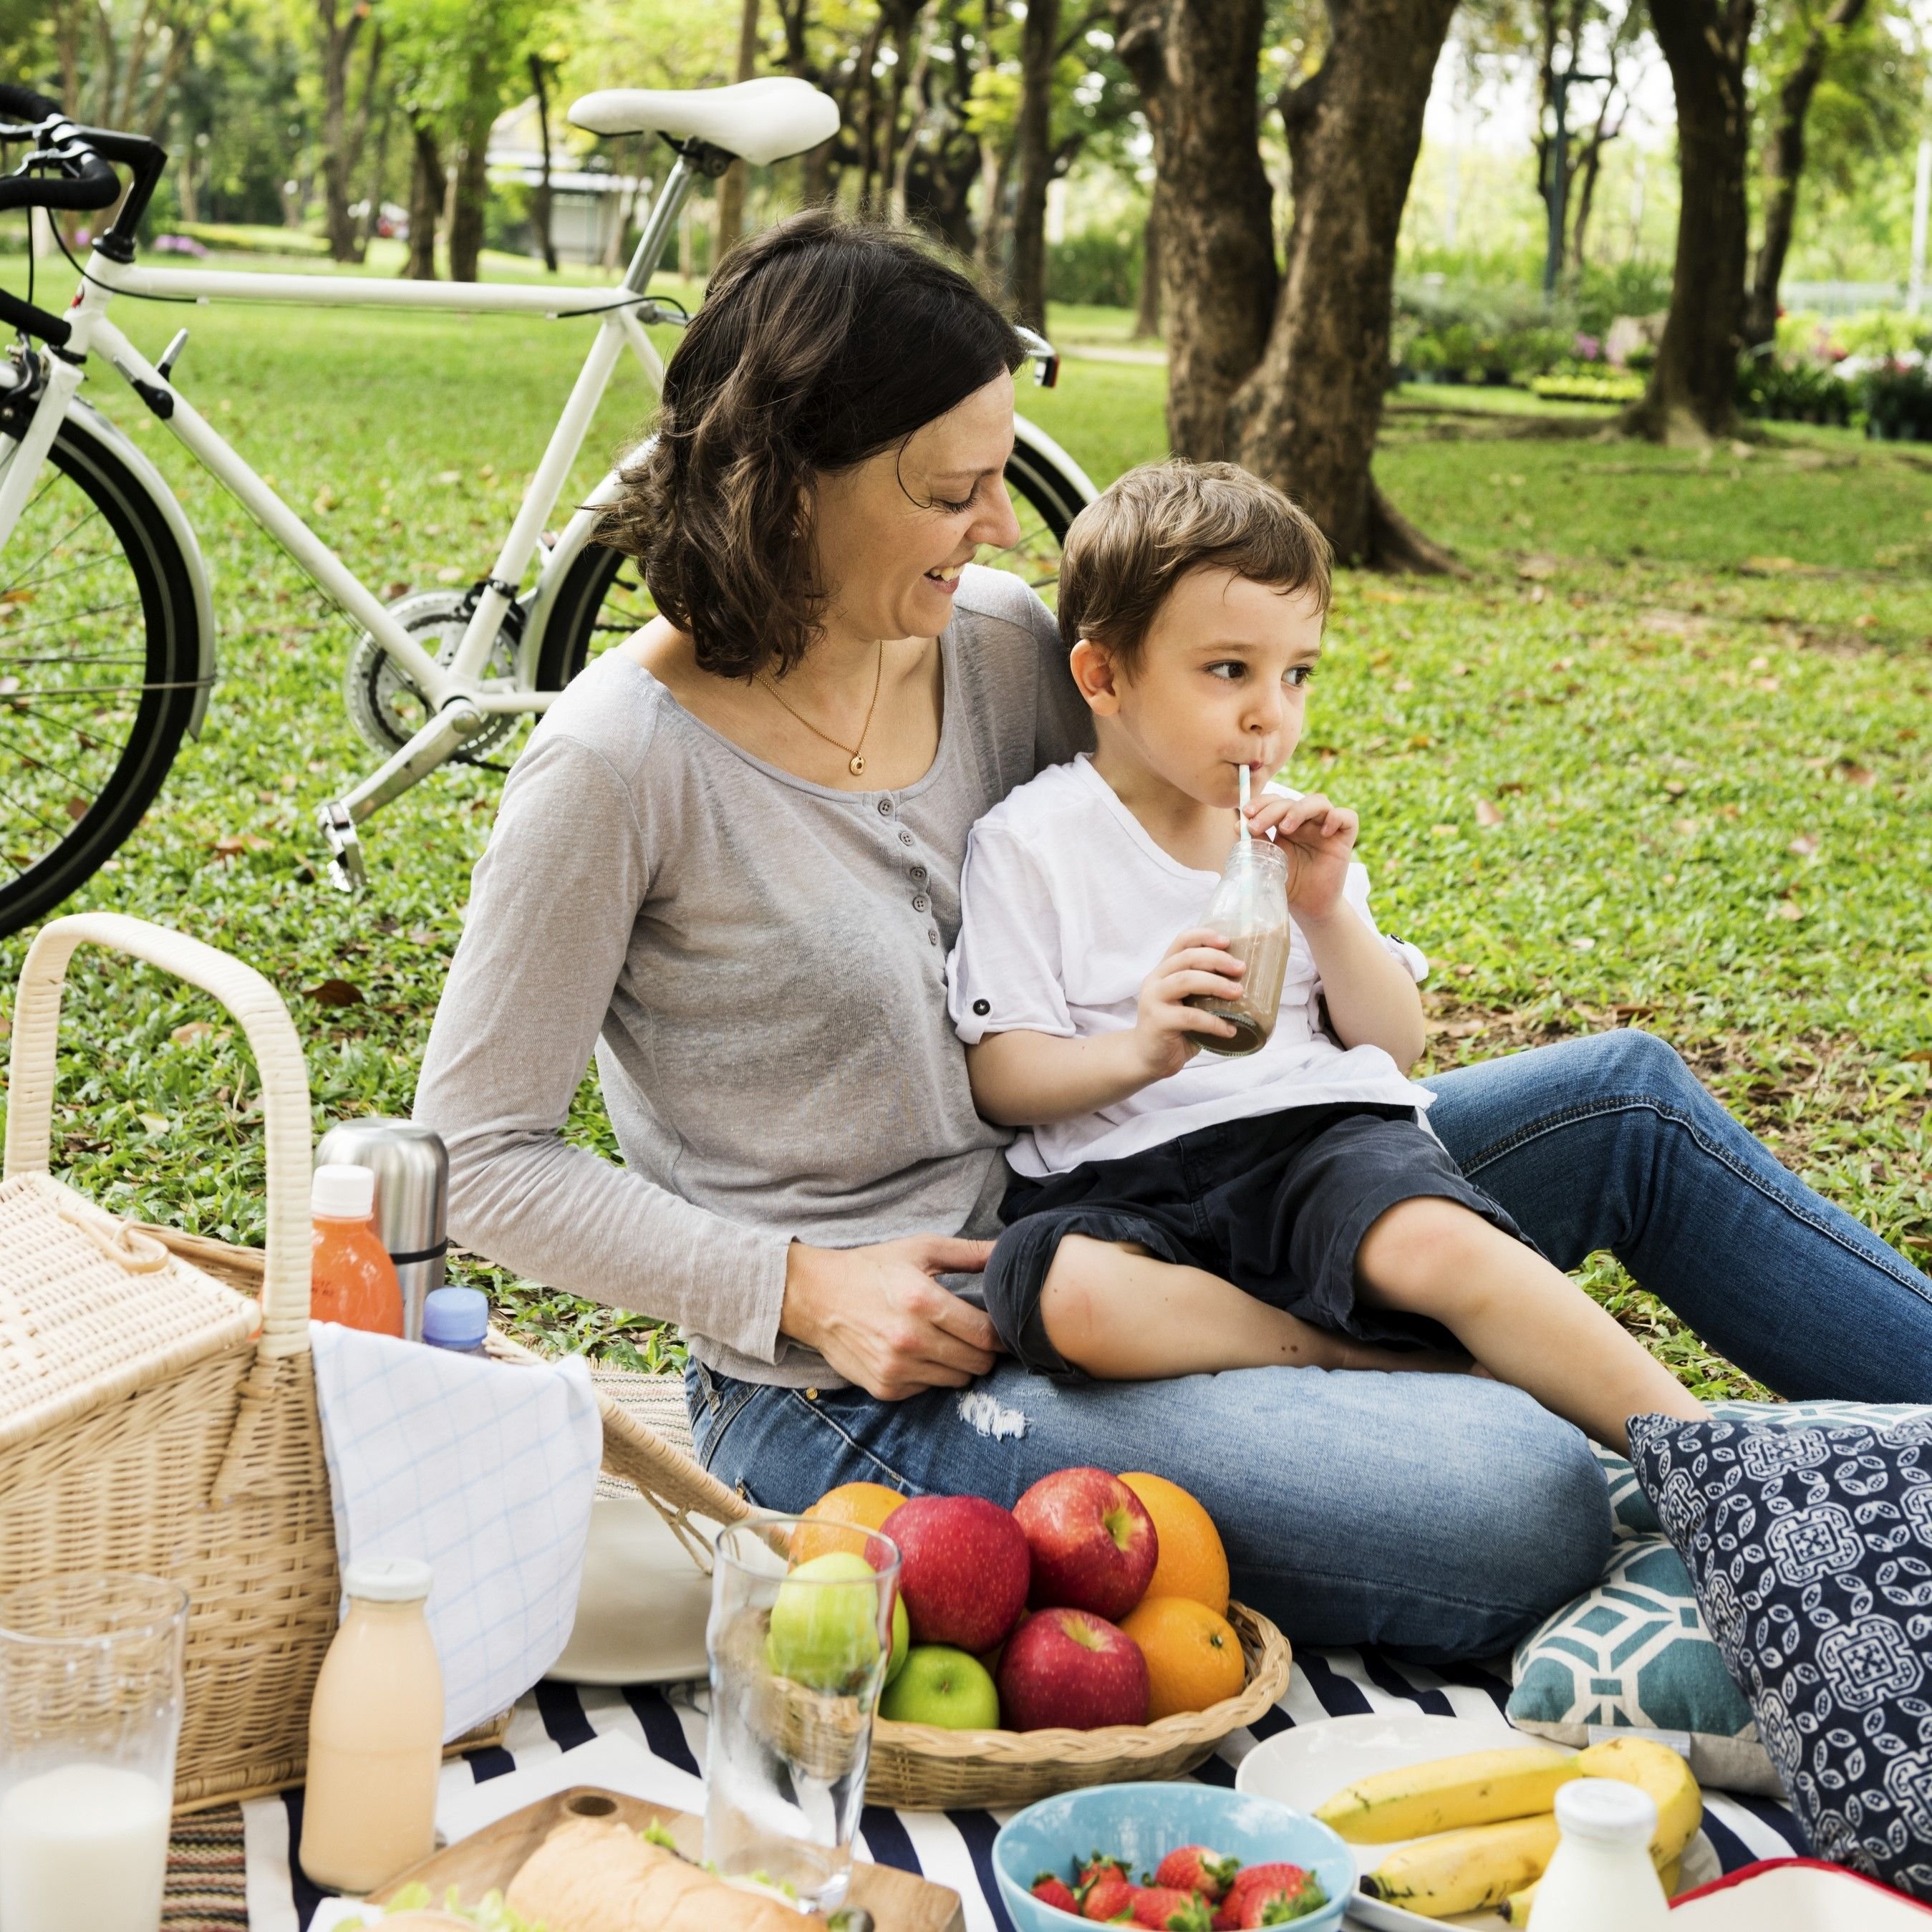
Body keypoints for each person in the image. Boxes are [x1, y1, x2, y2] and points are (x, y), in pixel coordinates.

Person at [413, 209, 1932, 1662]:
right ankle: (1496, 1412)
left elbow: (1180, 804)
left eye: (994, 478)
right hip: (894, 1362)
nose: (994, 526)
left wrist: (1299, 900)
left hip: (1159, 1189)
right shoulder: (616, 765)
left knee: (1622, 1105)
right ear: (787, 481)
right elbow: (474, 1154)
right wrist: (801, 1286)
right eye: (950, 492)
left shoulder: (997, 641)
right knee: (1511, 1504)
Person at [948, 461, 1705, 1456]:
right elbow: (1002, 1074)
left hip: (1310, 1143)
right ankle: (1357, 1353)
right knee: (1054, 1288)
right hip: (1118, 1180)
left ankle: (1705, 1452)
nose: (1272, 713)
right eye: (1229, 671)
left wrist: (1326, 913)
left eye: (1295, 672)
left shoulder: (1285, 839)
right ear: (1104, 676)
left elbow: (1392, 1043)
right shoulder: (1033, 842)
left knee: (1437, 1239)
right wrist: (1137, 1049)